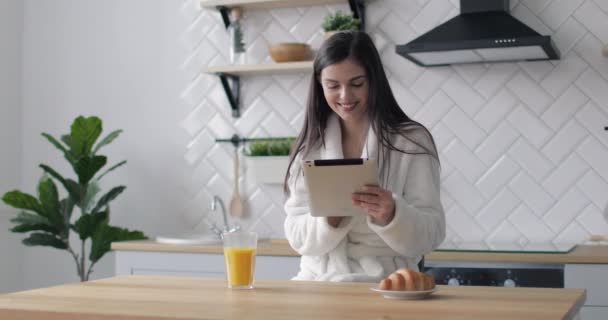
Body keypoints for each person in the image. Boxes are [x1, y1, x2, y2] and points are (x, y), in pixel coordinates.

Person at [282, 31, 445, 282]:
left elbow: (433, 232)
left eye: (357, 83)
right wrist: (328, 220)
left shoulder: (411, 141)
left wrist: (392, 214)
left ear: (373, 80)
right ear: (319, 84)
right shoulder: (309, 146)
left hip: (388, 282)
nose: (345, 96)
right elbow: (296, 236)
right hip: (318, 282)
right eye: (333, 86)